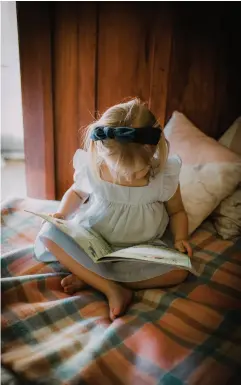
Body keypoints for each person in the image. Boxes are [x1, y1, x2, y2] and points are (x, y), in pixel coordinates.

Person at [37, 98, 192, 321]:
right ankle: (112, 288)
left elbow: (177, 211)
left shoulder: (163, 176)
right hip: (93, 238)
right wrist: (62, 214)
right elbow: (77, 193)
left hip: (140, 248)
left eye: (137, 173)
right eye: (120, 173)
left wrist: (181, 237)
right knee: (48, 234)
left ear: (153, 151)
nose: (128, 178)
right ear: (102, 154)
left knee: (179, 271)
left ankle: (93, 278)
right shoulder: (95, 168)